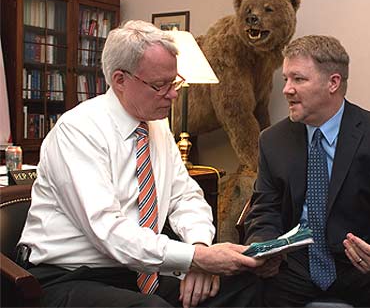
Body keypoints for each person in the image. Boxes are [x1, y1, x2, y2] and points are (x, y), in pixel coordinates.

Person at [18, 20, 263, 308]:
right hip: (69, 277)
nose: (173, 94)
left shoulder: (156, 127)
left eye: (175, 81)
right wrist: (195, 259)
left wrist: (199, 247)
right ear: (120, 80)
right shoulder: (78, 131)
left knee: (247, 284)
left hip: (138, 271)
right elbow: (108, 231)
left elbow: (186, 196)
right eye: (160, 85)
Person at [244, 35, 370, 307]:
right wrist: (264, 248)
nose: (286, 89)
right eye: (286, 79)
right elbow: (265, 209)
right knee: (239, 287)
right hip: (295, 265)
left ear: (333, 83)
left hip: (363, 264)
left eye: (298, 79)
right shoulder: (272, 140)